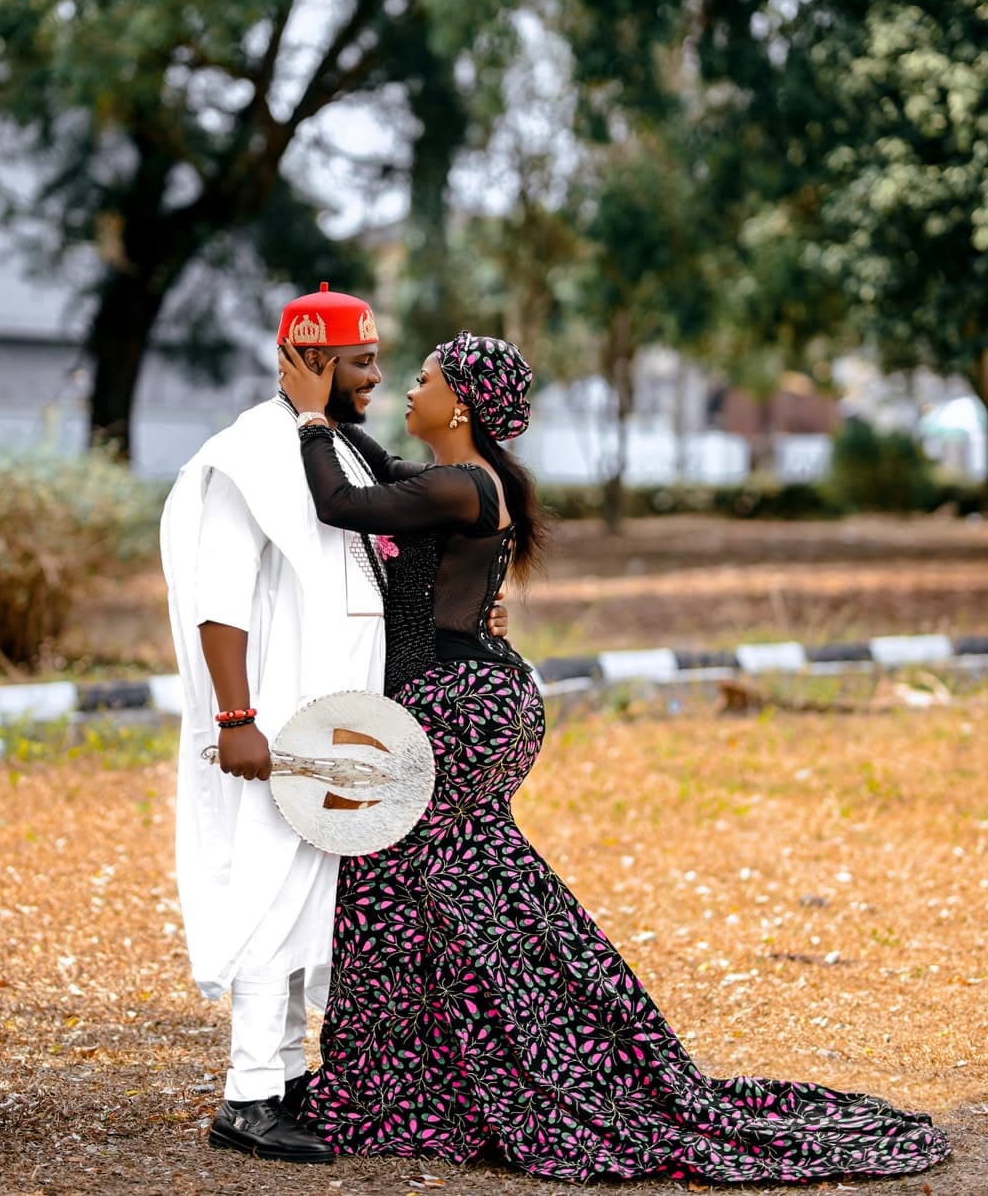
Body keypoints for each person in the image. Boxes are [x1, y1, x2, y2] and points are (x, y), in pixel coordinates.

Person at [278, 330, 950, 1186]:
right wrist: (331, 416)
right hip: (482, 701)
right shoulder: (468, 479)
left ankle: (441, 1082)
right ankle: (458, 1075)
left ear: (463, 405)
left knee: (394, 880)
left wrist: (308, 423)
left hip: (456, 705)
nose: (407, 390)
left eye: (424, 380)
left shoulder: (460, 486)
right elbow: (377, 468)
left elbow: (344, 502)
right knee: (457, 882)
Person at [160, 285, 508, 1166]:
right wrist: (237, 719)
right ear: (314, 362)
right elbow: (220, 604)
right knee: (269, 898)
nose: (379, 374)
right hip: (276, 724)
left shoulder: (338, 451)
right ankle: (245, 1099)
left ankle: (281, 1080)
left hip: (343, 727)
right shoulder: (248, 456)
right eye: (362, 360)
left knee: (311, 904)